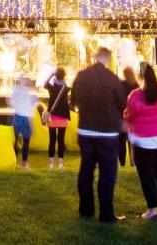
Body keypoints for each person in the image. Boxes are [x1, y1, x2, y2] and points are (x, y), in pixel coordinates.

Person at [71, 47, 128, 223]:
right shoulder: (112, 78)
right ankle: (106, 214)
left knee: (86, 170)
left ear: (95, 58)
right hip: (107, 132)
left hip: (86, 129)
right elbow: (121, 103)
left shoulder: (81, 76)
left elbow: (73, 99)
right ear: (108, 60)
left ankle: (86, 210)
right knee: (107, 174)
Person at [125, 64, 157, 221]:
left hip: (144, 140)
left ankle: (152, 209)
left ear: (141, 77)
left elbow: (130, 116)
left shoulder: (135, 95)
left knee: (146, 175)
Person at [44, 67, 70, 169]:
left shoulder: (51, 87)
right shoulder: (66, 88)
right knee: (61, 140)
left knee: (52, 139)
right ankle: (60, 164)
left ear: (55, 76)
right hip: (63, 117)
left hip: (53, 117)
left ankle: (50, 164)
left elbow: (45, 83)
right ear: (64, 76)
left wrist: (51, 74)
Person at [10, 75, 39, 169]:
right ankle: (24, 163)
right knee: (26, 141)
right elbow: (34, 103)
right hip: (25, 118)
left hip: (17, 116)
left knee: (16, 140)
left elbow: (12, 102)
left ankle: (13, 162)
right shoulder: (29, 92)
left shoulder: (16, 90)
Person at [119, 66, 139, 167]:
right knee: (132, 140)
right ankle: (133, 161)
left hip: (122, 115)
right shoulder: (136, 85)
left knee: (121, 140)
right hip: (133, 115)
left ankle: (122, 162)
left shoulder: (121, 85)